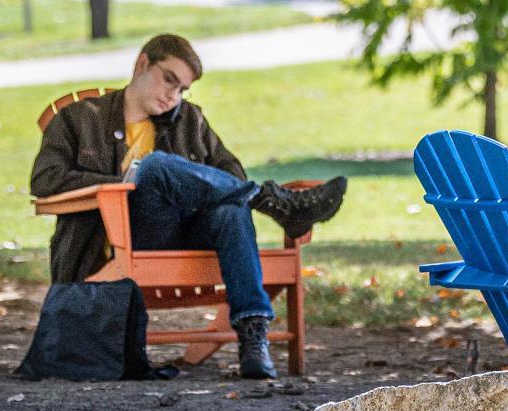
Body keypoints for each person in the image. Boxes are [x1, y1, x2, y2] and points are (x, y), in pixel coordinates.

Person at [30, 34, 345, 379]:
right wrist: (122, 183)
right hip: (117, 241)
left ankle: (253, 335)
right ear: (142, 64)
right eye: (169, 80)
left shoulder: (188, 121)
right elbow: (45, 180)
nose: (172, 96)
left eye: (182, 89)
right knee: (154, 167)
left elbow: (231, 174)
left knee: (230, 209)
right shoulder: (79, 118)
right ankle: (272, 203)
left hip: (185, 235)